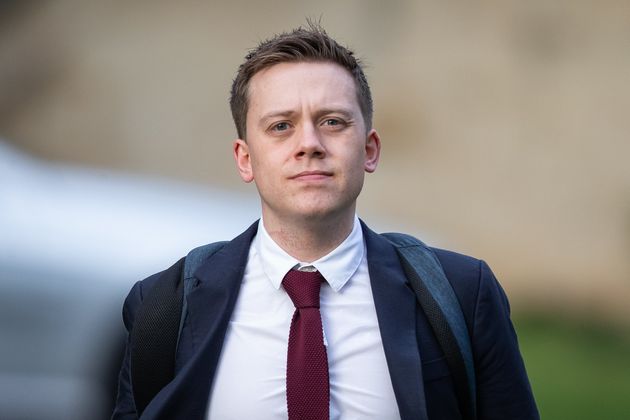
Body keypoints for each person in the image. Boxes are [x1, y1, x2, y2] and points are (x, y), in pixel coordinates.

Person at [112, 22, 539, 420]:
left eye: (332, 122)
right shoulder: (162, 307)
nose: (309, 144)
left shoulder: (463, 295)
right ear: (245, 159)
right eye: (281, 126)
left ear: (369, 149)